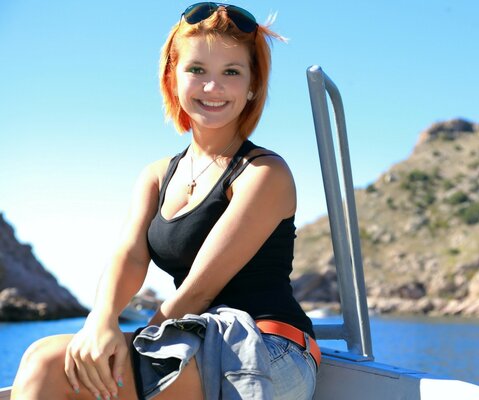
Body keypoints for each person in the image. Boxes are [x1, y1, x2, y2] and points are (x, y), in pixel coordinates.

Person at [11, 3, 319, 399]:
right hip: (193, 340)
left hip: (268, 350)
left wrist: (138, 341)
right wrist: (100, 320)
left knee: (49, 365)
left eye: (231, 72)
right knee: (47, 352)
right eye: (197, 70)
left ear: (252, 85)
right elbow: (130, 255)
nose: (213, 87)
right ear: (172, 77)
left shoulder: (264, 173)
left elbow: (198, 291)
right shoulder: (157, 175)